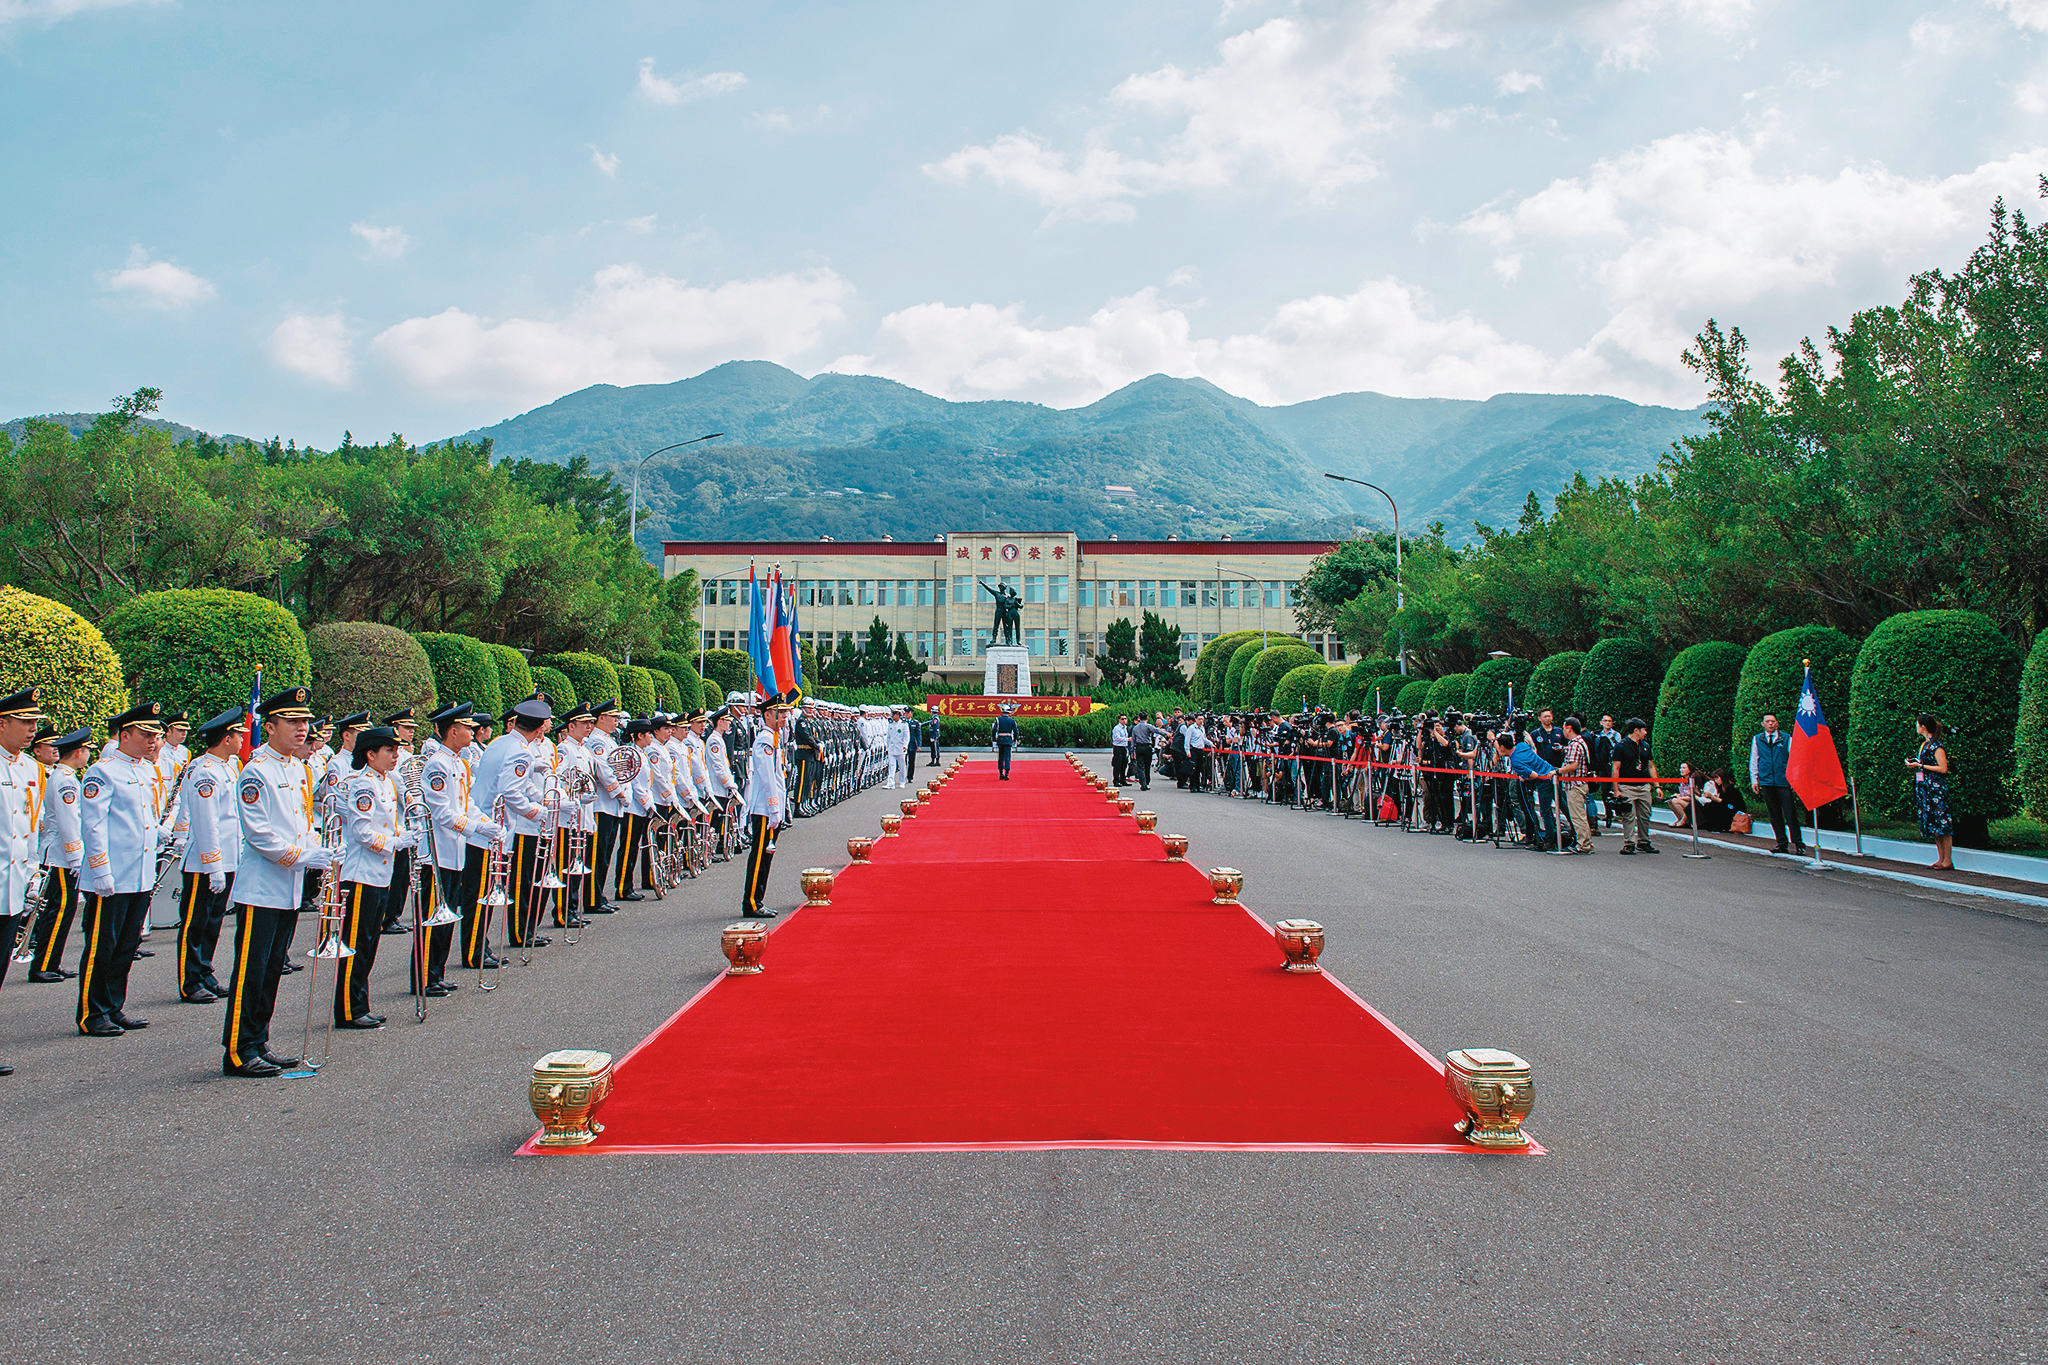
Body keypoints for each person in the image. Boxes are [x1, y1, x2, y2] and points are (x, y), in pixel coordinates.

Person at [222, 686, 327, 1077]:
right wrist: (303, 856)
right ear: (269, 726)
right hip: (262, 887)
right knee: (251, 970)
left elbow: (302, 823)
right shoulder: (257, 771)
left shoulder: (296, 768)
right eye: (293, 721)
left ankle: (259, 1041)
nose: (302, 728)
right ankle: (238, 1050)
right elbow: (259, 834)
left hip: (288, 887)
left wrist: (318, 849)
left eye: (304, 721)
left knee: (270, 971)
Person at [75, 700, 170, 1038]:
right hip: (112, 875)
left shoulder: (146, 770)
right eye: (146, 734)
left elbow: (142, 816)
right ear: (125, 735)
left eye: (155, 735)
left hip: (139, 873)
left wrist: (158, 831)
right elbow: (93, 825)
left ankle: (114, 1006)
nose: (153, 741)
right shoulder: (103, 771)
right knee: (103, 947)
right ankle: (92, 1012)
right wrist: (100, 870)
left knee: (126, 945)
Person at [334, 725, 409, 1029]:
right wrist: (395, 842)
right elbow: (362, 832)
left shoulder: (386, 781)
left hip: (379, 874)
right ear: (371, 754)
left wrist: (405, 833)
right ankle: (348, 1009)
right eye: (389, 750)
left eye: (396, 750)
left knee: (369, 943)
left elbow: (387, 824)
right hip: (361, 875)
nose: (395, 755)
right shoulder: (363, 785)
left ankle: (359, 1004)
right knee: (356, 944)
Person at [171, 707, 246, 1003]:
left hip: (226, 856)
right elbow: (206, 822)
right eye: (238, 735)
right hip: (204, 862)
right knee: (196, 923)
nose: (242, 739)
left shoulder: (228, 767)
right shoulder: (205, 771)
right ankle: (189, 981)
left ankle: (205, 972)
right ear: (226, 739)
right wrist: (213, 866)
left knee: (213, 921)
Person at [422, 702, 498, 988]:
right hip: (438, 852)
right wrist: (475, 828)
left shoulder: (459, 763)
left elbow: (467, 804)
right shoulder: (437, 764)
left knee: (448, 916)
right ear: (452, 731)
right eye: (467, 727)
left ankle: (437, 975)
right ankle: (426, 977)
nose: (472, 731)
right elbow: (442, 813)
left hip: (455, 852)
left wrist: (486, 822)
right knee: (435, 918)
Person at [27, 725, 90, 983]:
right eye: (87, 750)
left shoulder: (63, 776)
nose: (88, 755)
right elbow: (69, 822)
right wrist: (75, 856)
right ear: (78, 752)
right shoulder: (65, 780)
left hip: (59, 854)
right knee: (60, 910)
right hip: (60, 856)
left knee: (61, 910)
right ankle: (43, 964)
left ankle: (51, 961)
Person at [740, 691, 795, 919]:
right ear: (767, 715)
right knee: (760, 856)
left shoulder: (773, 738)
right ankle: (752, 902)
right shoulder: (764, 740)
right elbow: (767, 778)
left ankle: (758, 899)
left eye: (785, 713)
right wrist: (774, 808)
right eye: (779, 713)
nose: (784, 717)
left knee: (766, 856)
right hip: (764, 808)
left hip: (771, 808)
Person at [1749, 712, 1806, 856]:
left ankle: (1799, 844)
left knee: (1790, 813)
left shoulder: (1786, 738)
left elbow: (1794, 760)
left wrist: (1794, 779)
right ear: (1763, 724)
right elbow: (1754, 759)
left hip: (1783, 781)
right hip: (1767, 781)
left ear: (1777, 723)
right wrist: (1754, 779)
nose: (1770, 723)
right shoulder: (1758, 739)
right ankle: (1781, 843)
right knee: (1774, 814)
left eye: (1773, 721)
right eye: (1767, 721)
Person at [1909, 713, 1954, 870]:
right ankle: (1941, 858)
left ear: (1923, 726)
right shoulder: (1925, 745)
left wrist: (1921, 766)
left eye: (1917, 724)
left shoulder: (1936, 746)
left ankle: (1947, 859)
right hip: (1926, 789)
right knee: (1934, 825)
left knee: (1942, 824)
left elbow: (1943, 768)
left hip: (1936, 789)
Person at [1612, 717, 1660, 854]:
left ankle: (1644, 841)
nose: (1645, 732)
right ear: (1636, 730)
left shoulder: (1645, 745)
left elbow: (1650, 766)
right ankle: (1629, 842)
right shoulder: (1621, 746)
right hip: (1627, 785)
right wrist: (1616, 789)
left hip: (1643, 785)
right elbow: (1616, 768)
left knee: (1645, 814)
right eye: (1644, 730)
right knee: (1629, 815)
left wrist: (1657, 785)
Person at [1557, 716, 1596, 853]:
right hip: (1579, 783)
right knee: (1579, 815)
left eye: (1564, 728)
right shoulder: (1579, 742)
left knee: (1578, 817)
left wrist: (1558, 771)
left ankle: (1584, 844)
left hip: (1575, 784)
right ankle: (1584, 842)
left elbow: (1573, 765)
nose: (1563, 731)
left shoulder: (1575, 744)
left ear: (1569, 728)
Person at [884, 707, 910, 788]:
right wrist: (887, 748)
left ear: (898, 715)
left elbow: (906, 736)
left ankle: (902, 781)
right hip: (892, 748)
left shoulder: (903, 725)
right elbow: (888, 737)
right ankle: (890, 782)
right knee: (891, 766)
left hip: (901, 748)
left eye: (894, 714)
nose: (892, 716)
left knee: (902, 766)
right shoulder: (890, 725)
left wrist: (905, 745)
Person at [1131, 714, 1156, 792]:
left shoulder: (1135, 728)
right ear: (1147, 718)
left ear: (1139, 718)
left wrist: (1132, 750)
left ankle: (1143, 783)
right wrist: (1166, 734)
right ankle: (1147, 782)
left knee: (1140, 766)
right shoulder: (1148, 726)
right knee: (1147, 765)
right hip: (1147, 746)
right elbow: (1156, 730)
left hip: (1139, 747)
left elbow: (1133, 740)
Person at [993, 704, 1018, 779]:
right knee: (1007, 757)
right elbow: (1016, 731)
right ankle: (1007, 774)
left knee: (1000, 757)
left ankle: (1001, 774)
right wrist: (1014, 739)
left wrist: (994, 738)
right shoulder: (1012, 720)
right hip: (1008, 740)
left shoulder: (998, 719)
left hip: (1000, 739)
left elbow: (994, 730)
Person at [1110, 715, 1130, 786]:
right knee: (1117, 764)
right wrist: (1127, 739)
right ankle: (1116, 780)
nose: (1124, 720)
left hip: (1124, 747)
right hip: (1118, 747)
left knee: (1124, 764)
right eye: (1122, 719)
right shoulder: (1117, 728)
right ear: (1119, 720)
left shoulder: (1125, 728)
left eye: (1125, 719)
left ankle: (1122, 780)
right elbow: (1117, 738)